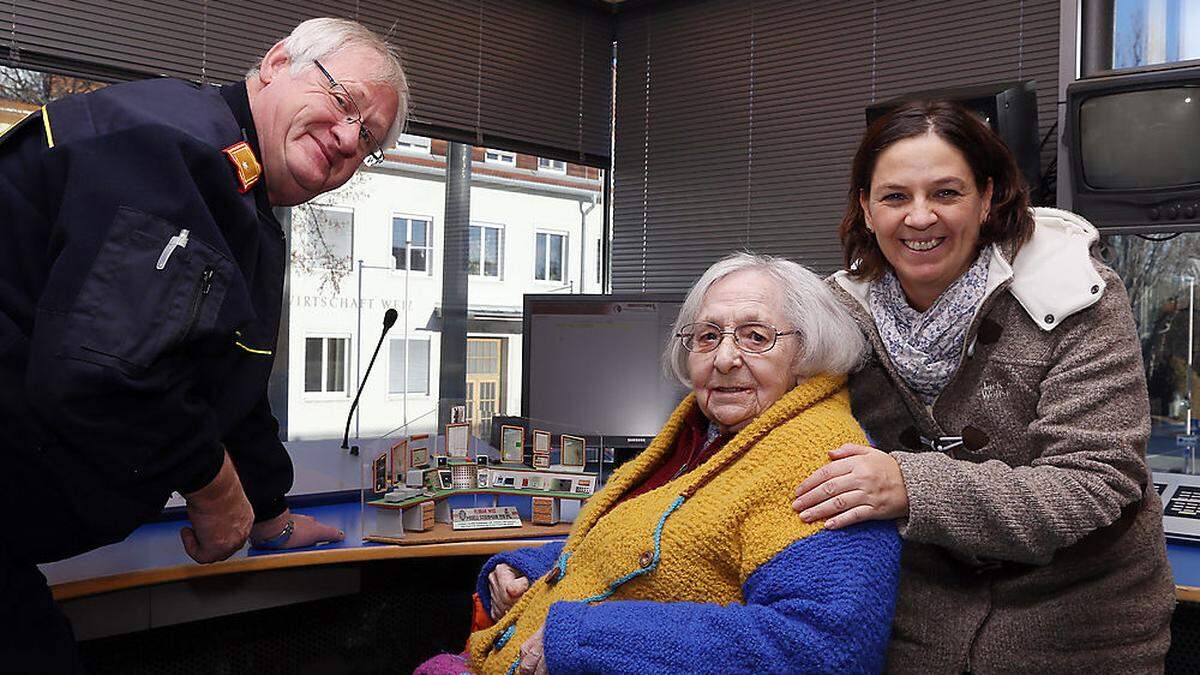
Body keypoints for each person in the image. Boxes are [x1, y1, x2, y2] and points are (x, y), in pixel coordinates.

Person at [0, 17, 406, 668]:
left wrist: (269, 510)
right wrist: (216, 491)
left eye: (370, 140)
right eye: (343, 101)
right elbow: (105, 373)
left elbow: (228, 382)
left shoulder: (239, 193)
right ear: (276, 62)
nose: (351, 137)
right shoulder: (182, 149)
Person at [791, 100, 1176, 672]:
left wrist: (912, 486)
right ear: (866, 211)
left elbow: (1093, 483)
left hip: (1078, 636)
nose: (919, 218)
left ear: (988, 198)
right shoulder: (834, 315)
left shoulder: (1079, 295)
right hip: (914, 639)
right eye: (895, 197)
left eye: (946, 193)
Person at [424, 253, 902, 675]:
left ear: (808, 352)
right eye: (707, 336)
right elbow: (645, 546)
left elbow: (824, 652)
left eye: (756, 336)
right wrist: (532, 566)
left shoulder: (824, 461)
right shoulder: (704, 435)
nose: (725, 358)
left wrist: (586, 637)